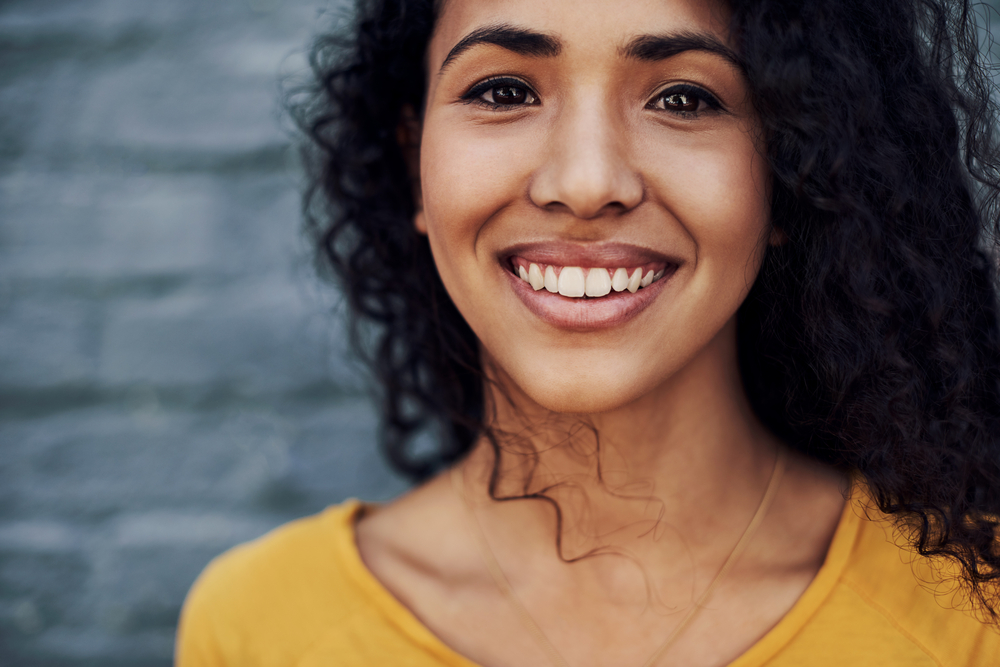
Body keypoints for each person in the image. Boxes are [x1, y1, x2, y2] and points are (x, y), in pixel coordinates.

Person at [175, 0, 1000, 664]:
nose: (586, 181)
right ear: (412, 159)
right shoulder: (260, 625)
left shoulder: (973, 614)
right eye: (503, 91)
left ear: (791, 170)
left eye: (685, 98)